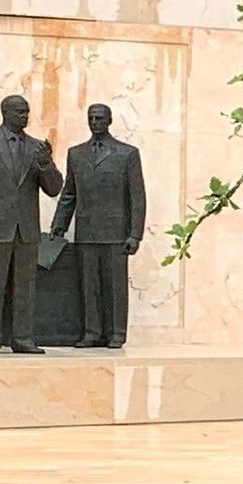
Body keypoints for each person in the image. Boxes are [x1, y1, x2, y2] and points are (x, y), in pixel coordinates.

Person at [0, 92, 64, 355]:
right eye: (20, 112)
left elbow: (54, 189)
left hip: (26, 231)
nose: (25, 116)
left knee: (25, 289)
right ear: (5, 113)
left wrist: (45, 164)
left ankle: (23, 339)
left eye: (27, 112)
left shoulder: (37, 148)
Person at [57, 102, 148, 351]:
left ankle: (117, 332)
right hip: (86, 231)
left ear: (109, 121)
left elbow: (137, 197)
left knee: (115, 287)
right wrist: (59, 226)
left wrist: (135, 234)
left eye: (99, 118)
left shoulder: (127, 154)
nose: (95, 122)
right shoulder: (76, 154)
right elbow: (69, 193)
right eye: (91, 118)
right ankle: (92, 331)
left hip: (116, 233)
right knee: (90, 286)